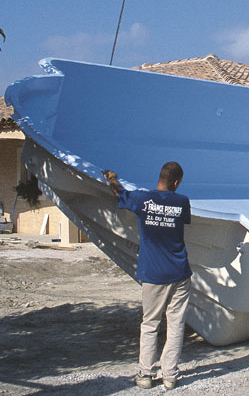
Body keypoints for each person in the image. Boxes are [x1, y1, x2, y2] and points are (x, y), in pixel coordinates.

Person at [103, 162, 192, 390]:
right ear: (176, 182)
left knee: (150, 324)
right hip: (179, 272)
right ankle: (170, 376)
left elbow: (119, 193)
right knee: (176, 325)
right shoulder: (182, 202)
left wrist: (112, 177)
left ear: (160, 177)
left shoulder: (143, 200)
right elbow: (180, 221)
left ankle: (145, 375)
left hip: (153, 273)